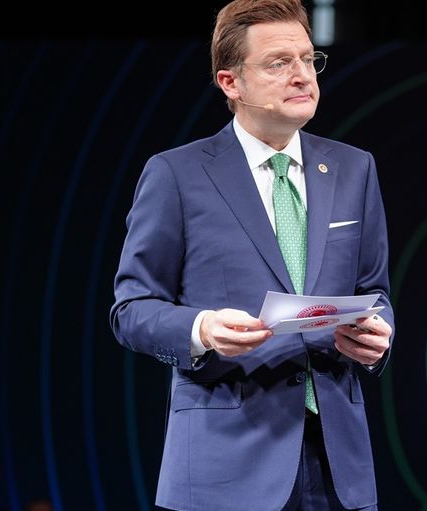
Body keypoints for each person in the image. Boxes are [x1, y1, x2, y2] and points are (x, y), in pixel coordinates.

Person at [109, 0, 394, 509]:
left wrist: (378, 334)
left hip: (338, 466)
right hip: (225, 466)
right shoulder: (177, 175)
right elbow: (131, 310)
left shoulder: (355, 169)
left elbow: (374, 291)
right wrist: (202, 330)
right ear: (230, 83)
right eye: (278, 63)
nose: (302, 75)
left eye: (308, 59)